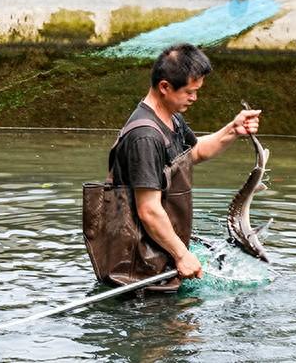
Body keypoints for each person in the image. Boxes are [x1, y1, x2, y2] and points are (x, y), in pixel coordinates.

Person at [109, 43, 261, 284]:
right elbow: (148, 209)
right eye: (190, 91)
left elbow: (195, 152)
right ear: (164, 87)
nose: (195, 98)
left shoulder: (171, 119)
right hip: (140, 270)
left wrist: (233, 129)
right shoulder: (145, 137)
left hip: (162, 257)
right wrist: (182, 255)